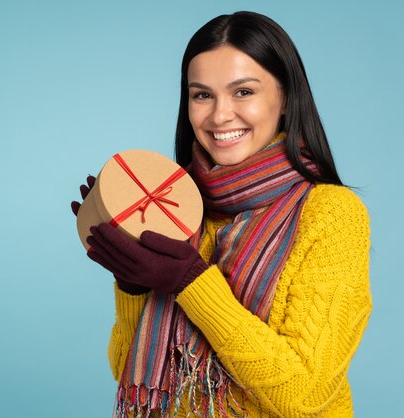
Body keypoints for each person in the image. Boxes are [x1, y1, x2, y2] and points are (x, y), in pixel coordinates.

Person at [71, 11, 371, 417]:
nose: (219, 115)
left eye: (243, 92)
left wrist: (191, 282)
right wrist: (132, 285)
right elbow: (128, 374)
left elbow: (305, 396)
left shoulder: (332, 215)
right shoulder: (178, 209)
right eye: (202, 95)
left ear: (285, 98)